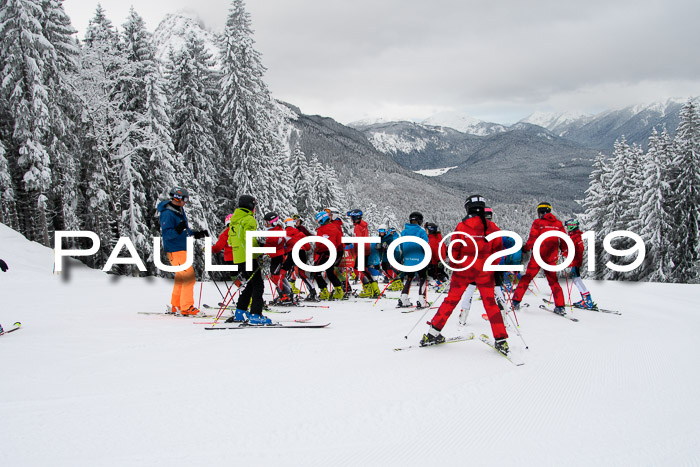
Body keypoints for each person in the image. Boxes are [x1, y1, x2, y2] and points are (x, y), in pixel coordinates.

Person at [422, 195, 509, 353]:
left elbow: (455, 249)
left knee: (451, 301)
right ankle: (501, 340)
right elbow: (498, 251)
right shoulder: (492, 227)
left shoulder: (462, 226)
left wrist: (456, 266)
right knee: (490, 304)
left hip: (464, 269)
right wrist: (492, 268)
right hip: (484, 271)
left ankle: (433, 333)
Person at [157, 187, 209, 316]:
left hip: (181, 248)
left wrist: (196, 234)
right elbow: (167, 234)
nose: (186, 202)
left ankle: (177, 306)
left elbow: (183, 229)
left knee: (181, 279)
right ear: (177, 198)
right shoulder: (168, 213)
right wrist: (178, 230)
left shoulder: (178, 211)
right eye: (185, 199)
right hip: (176, 249)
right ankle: (186, 307)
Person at [511, 202, 568, 315]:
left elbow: (532, 239)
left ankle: (515, 302)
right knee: (553, 282)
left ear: (540, 212)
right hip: (551, 258)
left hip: (538, 256)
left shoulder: (538, 223)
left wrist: (525, 249)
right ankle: (560, 306)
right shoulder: (558, 224)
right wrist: (565, 251)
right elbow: (564, 240)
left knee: (526, 279)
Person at [226, 195, 271, 325]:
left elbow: (230, 241)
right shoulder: (248, 219)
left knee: (250, 285)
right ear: (251, 206)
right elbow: (249, 239)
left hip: (239, 258)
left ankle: (240, 312)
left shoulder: (234, 220)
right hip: (248, 257)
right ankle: (256, 315)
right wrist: (259, 250)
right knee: (258, 285)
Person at [397, 212, 430, 308]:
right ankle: (421, 300)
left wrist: (404, 258)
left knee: (409, 278)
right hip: (420, 259)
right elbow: (425, 245)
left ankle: (403, 299)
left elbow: (401, 246)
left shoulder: (404, 232)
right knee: (422, 278)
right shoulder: (421, 231)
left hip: (408, 260)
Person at [565, 219, 597, 309]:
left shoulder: (576, 237)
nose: (567, 228)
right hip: (575, 261)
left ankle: (588, 301)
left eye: (568, 226)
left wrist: (566, 254)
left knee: (577, 280)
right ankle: (585, 300)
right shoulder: (575, 236)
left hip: (575, 262)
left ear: (572, 226)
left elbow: (576, 250)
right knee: (576, 279)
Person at [348, 209, 380, 298]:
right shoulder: (362, 225)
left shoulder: (358, 227)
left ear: (356, 217)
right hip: (365, 250)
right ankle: (374, 289)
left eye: (352, 217)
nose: (351, 219)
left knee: (358, 270)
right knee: (364, 270)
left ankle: (368, 289)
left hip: (361, 250)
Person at [313, 210, 344, 300]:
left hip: (323, 253)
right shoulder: (335, 228)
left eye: (318, 221)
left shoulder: (321, 230)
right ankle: (339, 291)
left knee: (316, 272)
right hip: (333, 253)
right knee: (330, 272)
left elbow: (318, 243)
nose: (318, 223)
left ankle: (324, 291)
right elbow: (339, 242)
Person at [281, 217, 313, 300]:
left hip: (292, 253)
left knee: (282, 273)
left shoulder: (284, 234)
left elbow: (281, 246)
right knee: (302, 273)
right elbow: (308, 247)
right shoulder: (300, 233)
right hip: (301, 253)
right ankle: (313, 292)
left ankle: (286, 293)